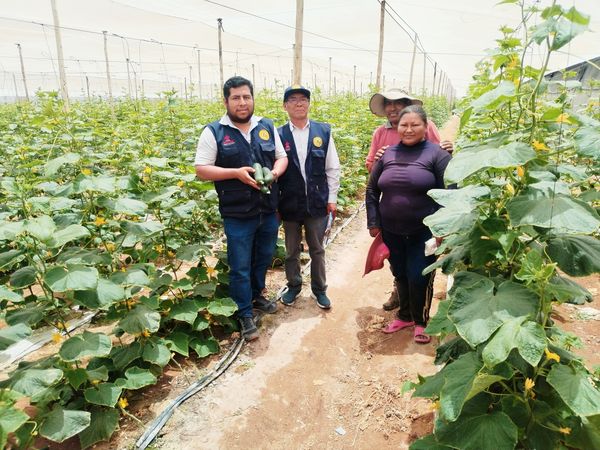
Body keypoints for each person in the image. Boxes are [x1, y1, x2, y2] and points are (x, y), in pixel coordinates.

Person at [195, 76, 288, 341]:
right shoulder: (214, 131)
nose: (242, 102)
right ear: (226, 101)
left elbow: (281, 157)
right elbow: (202, 169)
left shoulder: (266, 126)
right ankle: (244, 312)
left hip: (267, 210)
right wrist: (235, 173)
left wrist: (274, 173)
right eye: (236, 97)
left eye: (246, 96)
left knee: (263, 257)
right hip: (237, 214)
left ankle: (257, 296)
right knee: (239, 266)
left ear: (253, 98)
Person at [365, 105, 451, 344]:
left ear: (426, 127)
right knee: (400, 273)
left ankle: (421, 321)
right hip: (391, 231)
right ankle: (404, 316)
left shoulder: (437, 155)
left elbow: (450, 194)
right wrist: (374, 221)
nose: (409, 129)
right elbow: (372, 190)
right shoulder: (388, 154)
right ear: (397, 127)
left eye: (415, 125)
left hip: (424, 231)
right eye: (404, 124)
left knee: (420, 275)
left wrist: (441, 229)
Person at [277, 85, 341, 309]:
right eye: (293, 99)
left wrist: (331, 198)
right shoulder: (279, 134)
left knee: (317, 249)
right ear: (285, 106)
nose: (298, 103)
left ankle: (319, 290)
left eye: (303, 99)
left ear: (309, 104)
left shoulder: (323, 132)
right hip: (290, 203)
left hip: (317, 202)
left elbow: (332, 168)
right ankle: (293, 286)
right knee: (292, 250)